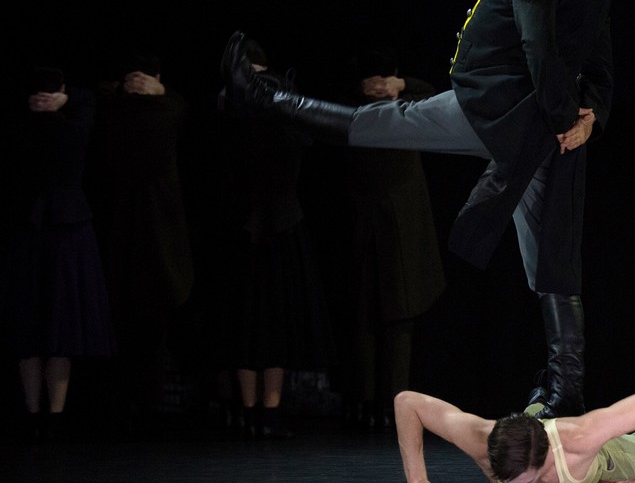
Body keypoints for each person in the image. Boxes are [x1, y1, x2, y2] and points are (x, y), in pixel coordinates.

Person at [220, 0, 613, 419]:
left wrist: (557, 116)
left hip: (498, 112)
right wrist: (588, 116)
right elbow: (598, 55)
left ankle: (263, 96)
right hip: (545, 131)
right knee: (551, 258)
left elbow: (537, 47)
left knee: (384, 124)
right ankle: (565, 387)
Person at [212, 38, 337, 439]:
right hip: (251, 226)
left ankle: (265, 412)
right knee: (250, 322)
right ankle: (258, 412)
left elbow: (301, 140)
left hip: (277, 223)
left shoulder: (280, 106)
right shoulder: (239, 109)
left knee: (269, 323)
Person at [0, 66, 117, 441]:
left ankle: (36, 415)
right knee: (57, 324)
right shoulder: (73, 125)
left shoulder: (22, 126)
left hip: (33, 226)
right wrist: (68, 100)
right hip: (61, 227)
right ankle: (53, 416)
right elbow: (91, 101)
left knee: (33, 324)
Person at [336, 47, 447, 431]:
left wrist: (396, 85)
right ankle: (380, 403)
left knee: (378, 315)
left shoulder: (373, 107)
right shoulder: (392, 109)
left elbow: (435, 96)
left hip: (383, 222)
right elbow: (437, 97)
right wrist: (400, 85)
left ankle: (374, 403)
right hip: (385, 221)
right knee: (382, 316)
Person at [86, 52, 195, 437]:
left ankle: (135, 404)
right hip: (140, 236)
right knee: (137, 328)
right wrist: (153, 94)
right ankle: (135, 404)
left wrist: (135, 92)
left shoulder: (134, 111)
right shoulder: (134, 112)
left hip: (141, 238)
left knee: (142, 328)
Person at [394, 385, 635, 483]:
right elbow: (407, 402)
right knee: (527, 423)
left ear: (544, 459)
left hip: (596, 462)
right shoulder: (480, 440)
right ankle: (538, 404)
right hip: (527, 431)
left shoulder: (580, 437)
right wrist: (418, 480)